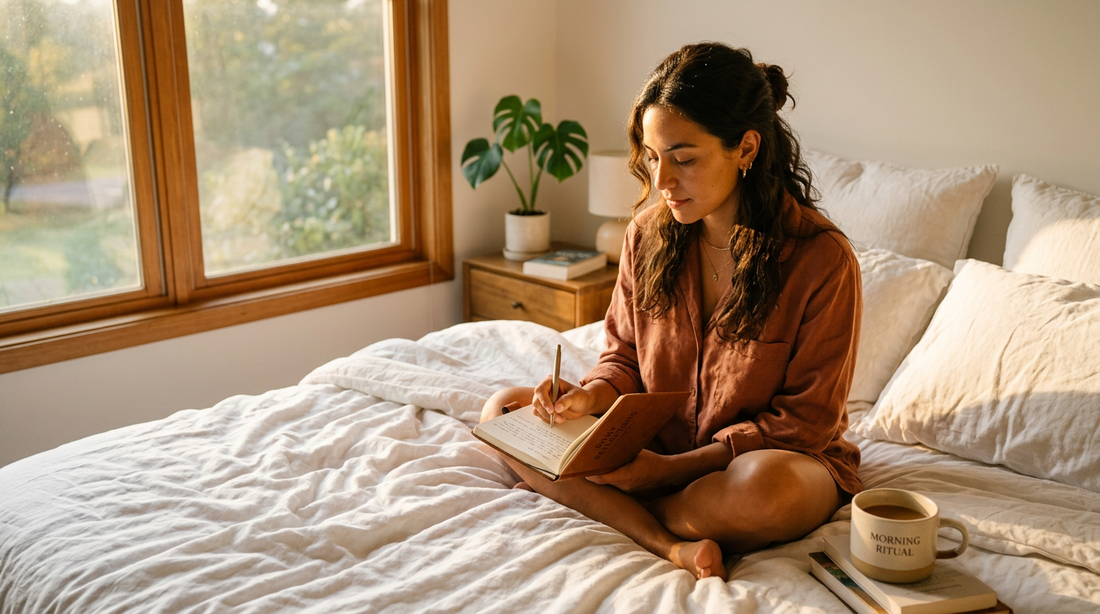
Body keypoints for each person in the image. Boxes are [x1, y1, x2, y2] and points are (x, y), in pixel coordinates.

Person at [480, 42, 862, 582]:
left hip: (765, 461)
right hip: (656, 445)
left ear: (746, 148)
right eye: (653, 157)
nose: (661, 181)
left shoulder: (821, 259)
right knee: (503, 411)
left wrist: (666, 472)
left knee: (766, 489)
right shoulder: (646, 235)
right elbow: (623, 358)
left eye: (683, 159)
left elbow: (805, 425)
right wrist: (589, 396)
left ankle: (612, 506)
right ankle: (667, 541)